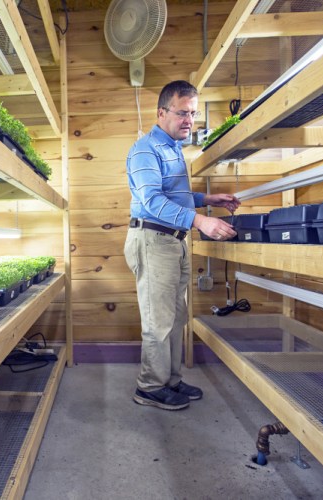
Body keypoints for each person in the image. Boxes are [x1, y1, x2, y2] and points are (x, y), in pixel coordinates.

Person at [124, 80, 241, 411]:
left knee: (176, 317)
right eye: (183, 113)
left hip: (173, 240)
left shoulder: (173, 149)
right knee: (158, 320)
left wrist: (206, 199)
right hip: (154, 239)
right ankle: (149, 387)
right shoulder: (146, 149)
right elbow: (152, 200)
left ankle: (170, 380)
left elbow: (173, 195)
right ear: (162, 113)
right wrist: (200, 221)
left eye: (193, 114)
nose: (189, 120)